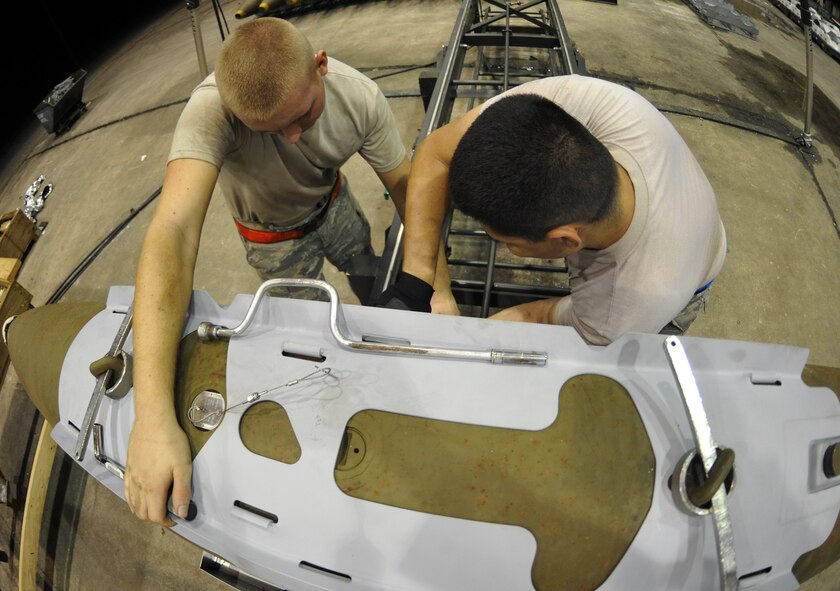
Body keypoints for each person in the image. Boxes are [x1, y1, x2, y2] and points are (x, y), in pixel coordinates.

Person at [125, 17, 453, 527]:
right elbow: (172, 233)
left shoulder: (357, 98)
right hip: (274, 244)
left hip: (335, 209)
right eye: (271, 130)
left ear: (320, 65)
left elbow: (413, 192)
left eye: (302, 116)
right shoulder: (211, 109)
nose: (293, 136)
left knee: (369, 277)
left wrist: (439, 291)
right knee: (309, 346)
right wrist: (150, 417)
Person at [378, 74, 726, 346]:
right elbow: (437, 152)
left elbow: (542, 319)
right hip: (682, 205)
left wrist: (465, 341)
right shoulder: (599, 104)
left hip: (690, 274)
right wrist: (423, 285)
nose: (495, 242)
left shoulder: (618, 310)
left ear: (566, 240)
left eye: (505, 242)